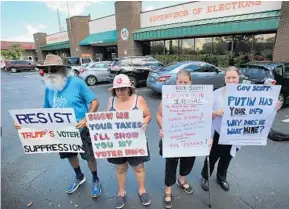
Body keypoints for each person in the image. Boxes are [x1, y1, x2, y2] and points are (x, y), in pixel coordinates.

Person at [14, 54, 102, 198]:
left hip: (82, 129)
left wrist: (87, 118)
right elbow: (45, 111)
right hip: (62, 131)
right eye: (47, 70)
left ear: (62, 69)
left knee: (89, 156)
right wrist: (25, 123)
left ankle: (95, 179)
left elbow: (95, 101)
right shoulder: (49, 88)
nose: (50, 73)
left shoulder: (76, 83)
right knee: (70, 156)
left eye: (53, 69)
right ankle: (79, 176)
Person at [200, 66, 281, 192]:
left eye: (234, 77)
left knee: (227, 158)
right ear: (225, 78)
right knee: (212, 156)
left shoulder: (247, 94)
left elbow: (259, 108)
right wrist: (215, 113)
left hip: (235, 133)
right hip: (217, 132)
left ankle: (221, 177)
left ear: (239, 78)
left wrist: (273, 106)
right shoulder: (216, 94)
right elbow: (206, 112)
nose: (231, 80)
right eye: (229, 78)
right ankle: (205, 176)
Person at [106, 74, 152, 209]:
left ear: (129, 88)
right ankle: (121, 192)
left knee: (138, 167)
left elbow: (148, 115)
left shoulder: (139, 100)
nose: (120, 91)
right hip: (117, 142)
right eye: (117, 89)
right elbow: (105, 118)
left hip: (135, 141)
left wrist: (146, 120)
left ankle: (142, 190)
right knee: (120, 168)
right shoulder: (111, 101)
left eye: (123, 88)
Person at [156, 69, 196, 209]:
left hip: (191, 138)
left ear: (191, 82)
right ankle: (168, 189)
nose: (183, 84)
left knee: (188, 160)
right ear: (176, 82)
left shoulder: (199, 97)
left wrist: (206, 136)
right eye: (180, 82)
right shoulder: (168, 96)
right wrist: (163, 127)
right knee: (171, 163)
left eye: (186, 82)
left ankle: (182, 179)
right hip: (173, 137)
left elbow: (205, 118)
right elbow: (159, 115)